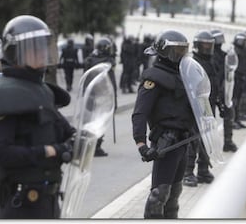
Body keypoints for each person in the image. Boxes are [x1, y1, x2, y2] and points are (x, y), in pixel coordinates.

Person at [0, 15, 76, 219]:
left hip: (49, 200)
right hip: (21, 204)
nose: (41, 53)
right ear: (15, 53)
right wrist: (47, 151)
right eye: (34, 48)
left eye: (43, 46)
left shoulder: (43, 90)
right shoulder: (2, 96)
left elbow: (65, 130)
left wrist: (79, 139)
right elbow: (0, 153)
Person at [131, 30, 194, 218]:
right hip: (165, 142)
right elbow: (140, 113)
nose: (180, 55)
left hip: (183, 141)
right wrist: (141, 144)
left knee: (174, 194)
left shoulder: (184, 75)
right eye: (176, 51)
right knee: (159, 194)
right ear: (164, 52)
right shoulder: (154, 78)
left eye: (183, 51)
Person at [183, 31, 216, 187]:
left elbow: (215, 84)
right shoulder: (192, 63)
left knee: (207, 139)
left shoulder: (212, 62)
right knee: (193, 140)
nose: (208, 48)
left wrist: (221, 102)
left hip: (209, 106)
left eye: (210, 45)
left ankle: (203, 170)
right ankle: (188, 172)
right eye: (205, 44)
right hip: (196, 107)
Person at [84, 37, 118, 157]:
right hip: (103, 97)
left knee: (90, 121)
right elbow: (111, 83)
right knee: (101, 122)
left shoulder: (89, 60)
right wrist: (114, 100)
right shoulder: (108, 63)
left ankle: (89, 145)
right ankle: (96, 146)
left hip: (89, 96)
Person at [210, 29, 238, 152]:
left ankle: (228, 142)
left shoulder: (224, 56)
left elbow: (229, 73)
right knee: (208, 123)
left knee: (229, 115)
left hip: (222, 91)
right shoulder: (208, 57)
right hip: (210, 92)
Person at [232, 32, 246, 129]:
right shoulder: (234, 52)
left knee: (238, 100)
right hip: (235, 79)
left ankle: (237, 119)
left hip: (242, 78)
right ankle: (233, 120)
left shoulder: (245, 52)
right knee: (234, 101)